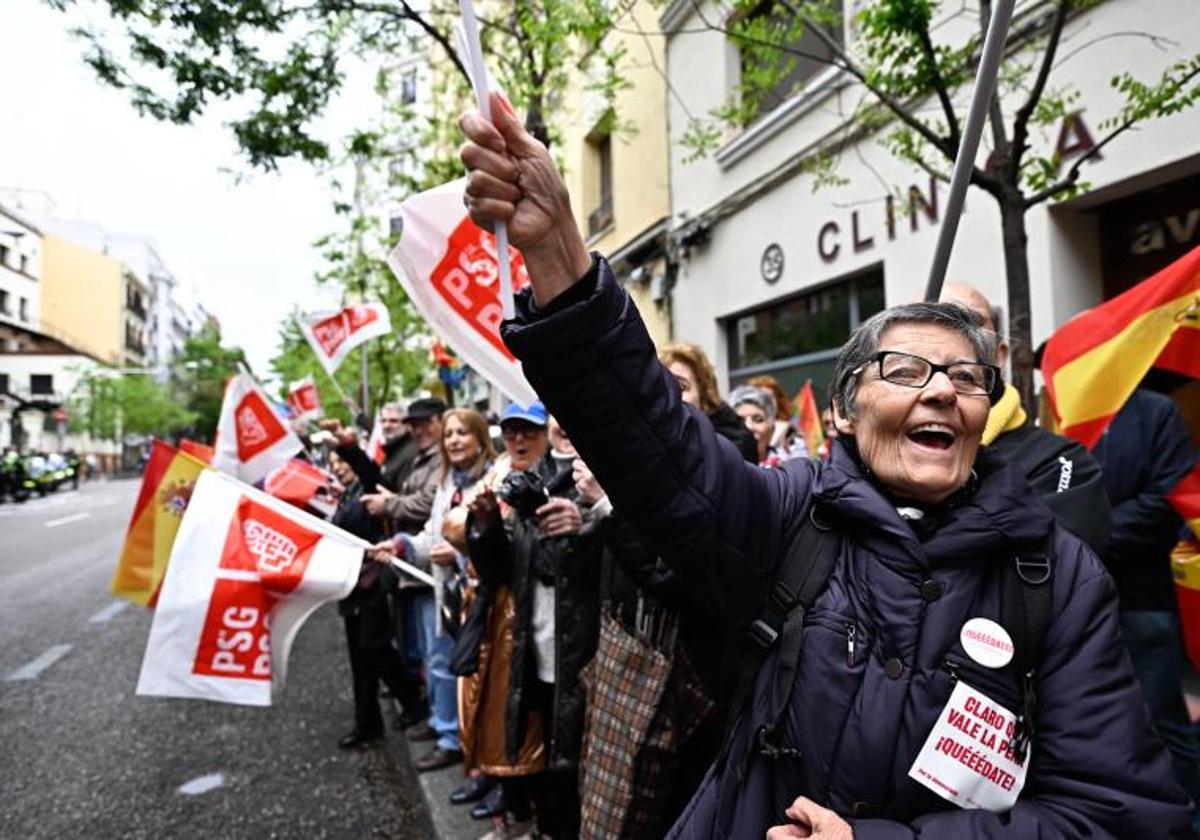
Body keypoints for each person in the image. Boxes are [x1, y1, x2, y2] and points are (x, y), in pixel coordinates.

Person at [458, 94, 1191, 837]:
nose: (941, 388)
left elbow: (1118, 817)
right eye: (904, 369)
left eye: (966, 378)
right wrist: (556, 254)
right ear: (841, 411)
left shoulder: (1058, 577)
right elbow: (654, 443)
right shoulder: (787, 518)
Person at [466, 406, 601, 840]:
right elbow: (504, 571)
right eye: (557, 413)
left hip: (586, 658)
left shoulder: (602, 485)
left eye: (531, 430)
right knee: (546, 766)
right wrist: (486, 525)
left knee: (579, 772)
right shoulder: (531, 479)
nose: (563, 425)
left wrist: (585, 519)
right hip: (538, 651)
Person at [370, 408, 498, 772]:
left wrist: (461, 551)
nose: (455, 440)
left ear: (479, 439)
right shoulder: (447, 482)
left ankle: (475, 748)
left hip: (482, 597)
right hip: (447, 595)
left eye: (463, 433)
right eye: (450, 434)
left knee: (479, 672)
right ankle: (449, 736)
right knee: (440, 662)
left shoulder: (494, 480)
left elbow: (494, 541)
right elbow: (432, 534)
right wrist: (401, 545)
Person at [940, 283, 1110, 555]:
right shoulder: (878, 449)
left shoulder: (1059, 462)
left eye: (968, 322)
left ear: (999, 355)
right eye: (925, 319)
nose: (945, 337)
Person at [1092, 387, 1199, 804]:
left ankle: (1185, 817)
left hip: (1142, 594)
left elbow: (1169, 498)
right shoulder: (1057, 411)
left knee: (1159, 718)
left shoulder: (1154, 410)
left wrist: (1087, 533)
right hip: (1078, 597)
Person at [326, 450, 415, 750]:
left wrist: (346, 444)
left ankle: (410, 702)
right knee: (361, 656)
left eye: (343, 462)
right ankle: (370, 722)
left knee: (373, 649)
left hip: (373, 585)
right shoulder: (346, 495)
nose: (338, 469)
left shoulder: (368, 488)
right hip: (352, 587)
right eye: (334, 464)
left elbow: (369, 471)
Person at [659, 342, 758, 463]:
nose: (672, 394)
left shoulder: (733, 447)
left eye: (681, 386)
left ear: (703, 395)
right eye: (664, 388)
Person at [729, 384, 801, 467]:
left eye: (758, 419)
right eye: (740, 420)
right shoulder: (722, 468)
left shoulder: (789, 467)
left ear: (772, 429)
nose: (749, 426)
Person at [749, 375, 804, 459]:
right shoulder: (744, 430)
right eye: (760, 398)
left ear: (778, 401)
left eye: (769, 398)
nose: (765, 403)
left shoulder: (791, 434)